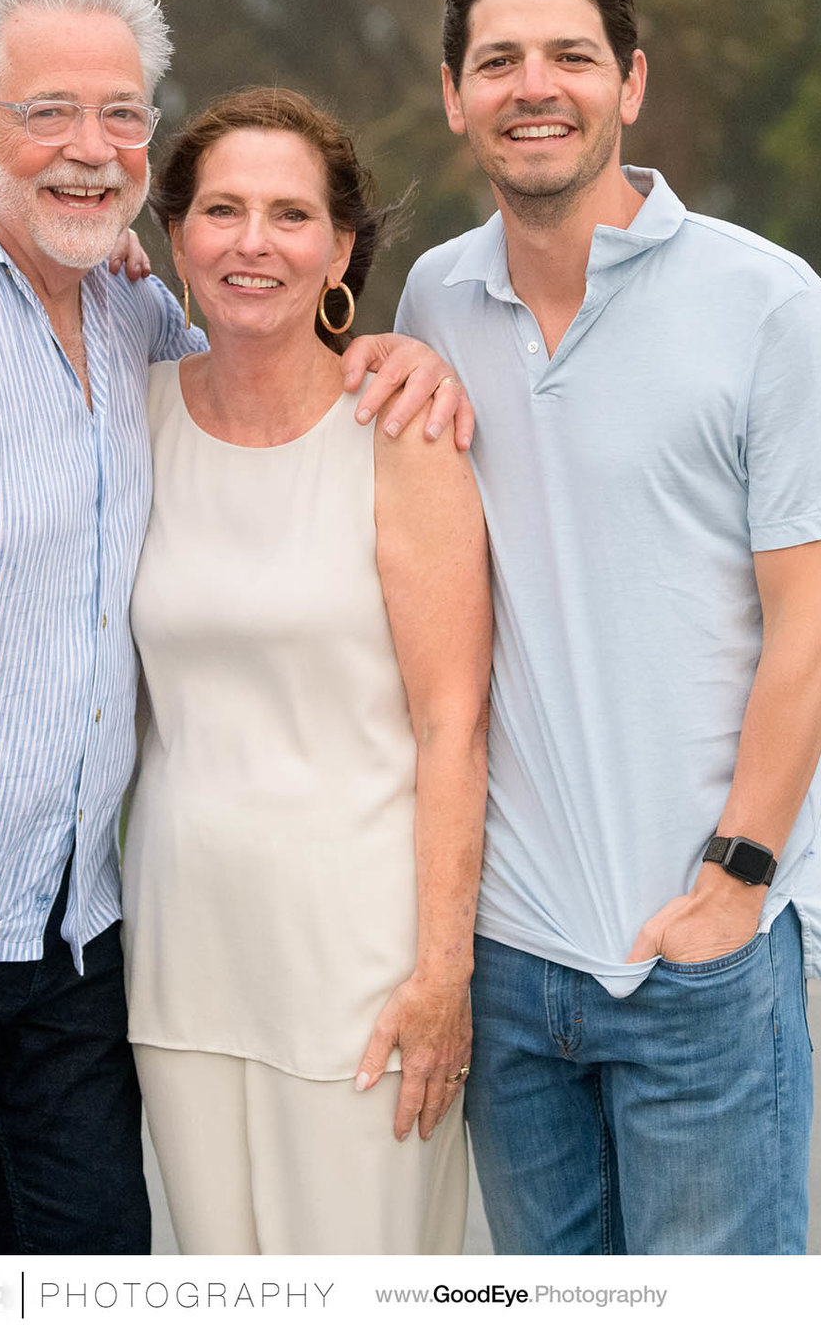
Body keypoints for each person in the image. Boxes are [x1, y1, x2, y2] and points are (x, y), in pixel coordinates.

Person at [0, 0, 470, 1256]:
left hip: (68, 943)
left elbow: (262, 375)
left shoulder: (124, 318)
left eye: (121, 115)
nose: (89, 146)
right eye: (47, 113)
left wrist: (384, 357)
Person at [395, 0, 821, 1255]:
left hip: (702, 949)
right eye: (497, 61)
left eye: (570, 56)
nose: (533, 86)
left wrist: (736, 881)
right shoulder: (434, 301)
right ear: (454, 95)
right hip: (511, 963)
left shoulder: (770, 306)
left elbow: (815, 631)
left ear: (632, 83)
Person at [124, 88, 490, 1255]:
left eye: (290, 214)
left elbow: (453, 725)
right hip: (183, 956)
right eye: (222, 210)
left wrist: (443, 974)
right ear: (174, 236)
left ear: (339, 247)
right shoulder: (132, 420)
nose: (252, 241)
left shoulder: (402, 432)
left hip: (362, 966)